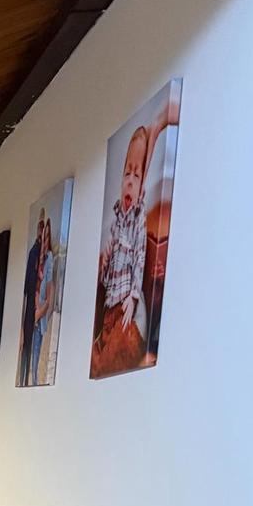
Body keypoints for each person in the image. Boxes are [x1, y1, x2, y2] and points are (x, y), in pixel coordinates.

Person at [91, 93, 180, 377]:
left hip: (127, 304)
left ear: (141, 187)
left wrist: (132, 297)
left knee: (118, 350)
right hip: (110, 307)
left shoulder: (138, 216)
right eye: (126, 174)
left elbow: (140, 258)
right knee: (101, 352)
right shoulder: (116, 220)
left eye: (136, 175)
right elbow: (107, 275)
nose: (130, 180)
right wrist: (104, 265)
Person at [18, 210, 44, 386]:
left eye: (44, 227)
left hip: (38, 313)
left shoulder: (45, 256)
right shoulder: (34, 252)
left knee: (35, 349)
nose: (42, 232)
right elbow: (26, 290)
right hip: (30, 312)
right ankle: (23, 378)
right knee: (27, 347)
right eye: (40, 227)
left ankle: (30, 380)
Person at [30, 217, 55, 386]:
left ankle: (36, 381)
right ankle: (34, 380)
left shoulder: (49, 259)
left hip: (40, 316)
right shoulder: (39, 259)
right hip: (35, 312)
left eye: (46, 236)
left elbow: (49, 288)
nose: (43, 240)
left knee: (37, 353)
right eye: (42, 236)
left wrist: (42, 308)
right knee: (34, 353)